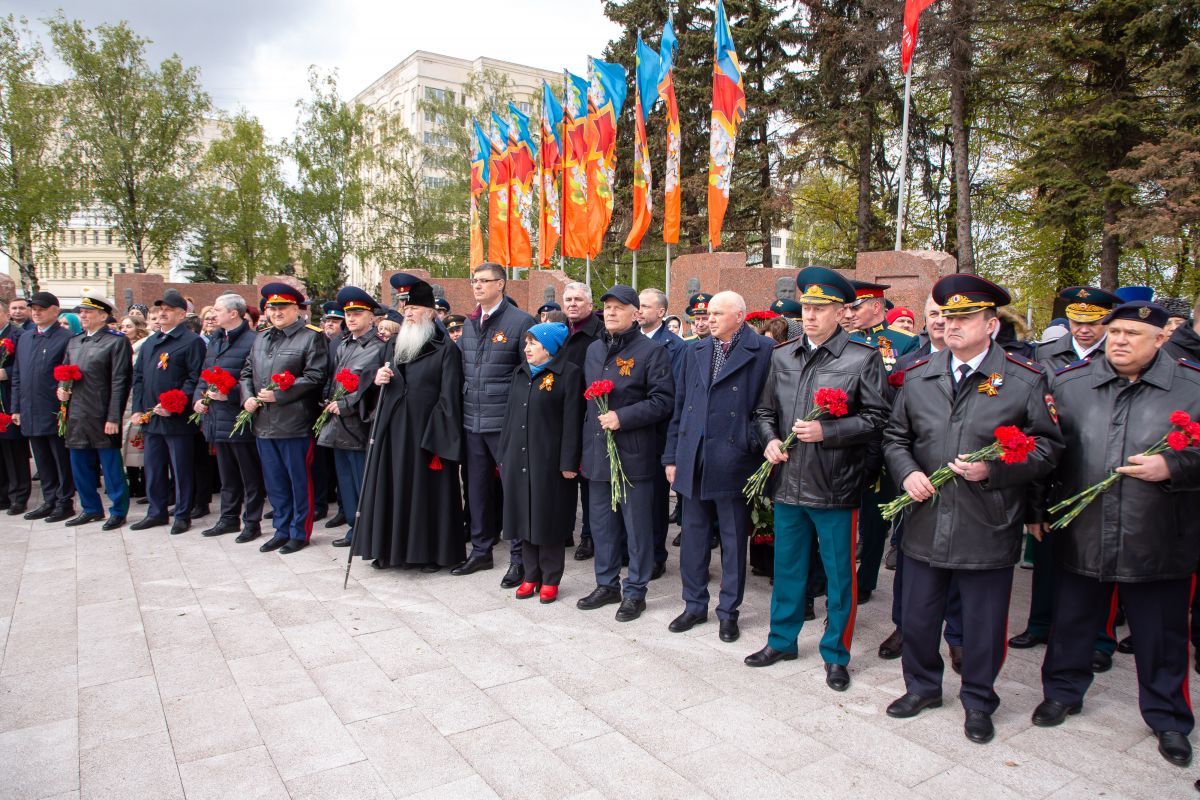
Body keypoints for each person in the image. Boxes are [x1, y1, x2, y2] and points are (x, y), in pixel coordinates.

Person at [882, 274, 1063, 744]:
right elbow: (896, 437)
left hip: (986, 523)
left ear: (991, 325)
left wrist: (995, 469)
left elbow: (1047, 448)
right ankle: (921, 687)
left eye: (964, 317)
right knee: (918, 619)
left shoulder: (1023, 381)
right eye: (946, 316)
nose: (951, 324)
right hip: (924, 520)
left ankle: (980, 700)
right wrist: (906, 473)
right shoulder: (921, 374)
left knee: (982, 628)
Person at [1034, 300, 1200, 768]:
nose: (1121, 341)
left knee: (1162, 634)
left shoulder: (1192, 387)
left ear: (1162, 338)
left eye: (1133, 334)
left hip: (1159, 534)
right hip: (1083, 528)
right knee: (1071, 622)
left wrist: (1175, 464)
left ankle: (1168, 716)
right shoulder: (1071, 384)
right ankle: (1063, 693)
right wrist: (1036, 509)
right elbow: (1045, 449)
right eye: (1117, 332)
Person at [745, 269, 889, 692]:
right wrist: (770, 442)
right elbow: (764, 412)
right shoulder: (782, 355)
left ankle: (836, 654)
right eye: (807, 308)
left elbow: (879, 419)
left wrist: (831, 432)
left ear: (842, 312)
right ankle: (782, 640)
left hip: (835, 485)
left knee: (839, 576)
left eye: (820, 309)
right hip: (788, 482)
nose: (810, 316)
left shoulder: (862, 358)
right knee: (787, 568)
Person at [1010, 285, 1123, 668]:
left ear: (1108, 321)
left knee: (1098, 563)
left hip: (1096, 467)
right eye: (1076, 321)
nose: (1083, 329)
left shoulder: (1118, 359)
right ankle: (1040, 623)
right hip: (1051, 466)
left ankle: (1100, 640)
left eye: (1092, 322)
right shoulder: (1045, 355)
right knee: (1045, 550)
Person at [664, 291, 772, 643]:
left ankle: (729, 612)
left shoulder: (764, 352)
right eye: (707, 314)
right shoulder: (694, 350)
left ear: (740, 316)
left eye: (717, 314)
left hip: (735, 458)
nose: (708, 319)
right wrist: (672, 456)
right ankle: (694, 605)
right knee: (693, 539)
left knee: (732, 540)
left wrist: (751, 443)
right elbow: (679, 408)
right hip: (693, 457)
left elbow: (768, 409)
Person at [576, 285, 675, 622]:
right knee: (602, 524)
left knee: (637, 527)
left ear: (636, 313)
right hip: (598, 452)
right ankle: (606, 584)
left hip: (633, 453)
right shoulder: (592, 350)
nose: (612, 313)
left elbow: (663, 401)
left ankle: (636, 590)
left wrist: (624, 417)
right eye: (607, 307)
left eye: (620, 307)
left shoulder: (651, 352)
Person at [353, 278, 465, 569]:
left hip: (425, 435)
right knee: (389, 489)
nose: (407, 313)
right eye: (405, 308)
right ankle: (388, 550)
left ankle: (430, 554)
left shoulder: (445, 349)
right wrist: (377, 379)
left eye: (413, 308)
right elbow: (373, 376)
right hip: (391, 429)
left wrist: (435, 436)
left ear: (429, 312)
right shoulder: (393, 343)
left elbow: (449, 397)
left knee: (424, 495)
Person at [878, 295, 965, 668]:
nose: (941, 322)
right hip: (915, 483)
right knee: (909, 558)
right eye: (934, 315)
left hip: (967, 487)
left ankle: (958, 636)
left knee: (961, 564)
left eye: (948, 315)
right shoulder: (911, 364)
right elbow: (895, 427)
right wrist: (906, 470)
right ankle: (904, 626)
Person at [452, 262, 535, 586]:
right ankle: (481, 550)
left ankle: (518, 559)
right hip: (472, 421)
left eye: (485, 281)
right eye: (475, 281)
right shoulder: (471, 323)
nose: (478, 286)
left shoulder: (519, 321)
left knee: (512, 490)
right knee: (477, 490)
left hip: (504, 423)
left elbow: (526, 374)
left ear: (501, 284)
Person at [240, 283, 329, 554]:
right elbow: (246, 372)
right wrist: (247, 396)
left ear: (296, 309)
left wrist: (279, 395)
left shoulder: (311, 337)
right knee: (275, 482)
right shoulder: (262, 338)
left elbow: (315, 376)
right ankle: (281, 529)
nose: (276, 312)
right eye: (272, 308)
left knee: (298, 481)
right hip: (264, 423)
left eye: (282, 308)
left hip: (294, 422)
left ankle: (299, 532)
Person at [845, 280, 920, 606]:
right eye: (847, 308)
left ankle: (866, 579)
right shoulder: (845, 341)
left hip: (884, 440)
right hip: (846, 437)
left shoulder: (904, 342)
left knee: (875, 518)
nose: (850, 313)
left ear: (877, 306)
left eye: (856, 307)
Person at [498, 322, 583, 602]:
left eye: (532, 344)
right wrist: (504, 454)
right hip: (518, 458)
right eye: (526, 344)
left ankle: (550, 578)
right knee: (523, 518)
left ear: (549, 347)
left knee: (548, 520)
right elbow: (510, 416)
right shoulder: (520, 373)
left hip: (550, 462)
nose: (527, 349)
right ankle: (530, 574)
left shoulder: (568, 374)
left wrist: (569, 462)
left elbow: (572, 422)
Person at [129, 289, 207, 533]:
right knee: (153, 467)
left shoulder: (191, 341)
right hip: (152, 417)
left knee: (181, 469)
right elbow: (139, 377)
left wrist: (175, 403)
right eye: (159, 310)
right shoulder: (152, 341)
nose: (162, 313)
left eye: (168, 310)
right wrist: (138, 408)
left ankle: (182, 514)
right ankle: (157, 511)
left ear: (182, 314)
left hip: (177, 419)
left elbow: (194, 378)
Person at [192, 293, 265, 543]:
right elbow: (205, 374)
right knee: (227, 475)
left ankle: (252, 522)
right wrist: (198, 399)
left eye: (218, 309)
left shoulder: (253, 341)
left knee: (249, 474)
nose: (213, 314)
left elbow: (254, 380)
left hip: (240, 418)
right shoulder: (215, 340)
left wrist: (231, 394)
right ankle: (228, 517)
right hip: (217, 417)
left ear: (234, 313)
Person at [318, 287, 386, 550]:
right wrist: (328, 400)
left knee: (362, 480)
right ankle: (352, 527)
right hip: (338, 423)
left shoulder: (379, 347)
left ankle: (366, 528)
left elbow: (374, 388)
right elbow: (334, 377)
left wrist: (345, 403)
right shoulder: (342, 344)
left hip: (359, 423)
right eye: (348, 314)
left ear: (371, 316)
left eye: (357, 313)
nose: (351, 318)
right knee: (345, 481)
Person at [59, 294, 132, 529]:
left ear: (103, 315)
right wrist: (61, 389)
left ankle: (118, 510)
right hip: (77, 413)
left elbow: (120, 382)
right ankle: (90, 508)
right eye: (81, 311)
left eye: (88, 311)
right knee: (79, 465)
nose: (83, 315)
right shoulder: (74, 341)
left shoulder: (116, 342)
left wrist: (114, 417)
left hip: (101, 414)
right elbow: (64, 372)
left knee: (111, 468)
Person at [13, 292, 76, 522]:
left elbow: (69, 374)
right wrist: (16, 408)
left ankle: (64, 501)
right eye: (34, 308)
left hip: (53, 409)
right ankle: (49, 500)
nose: (36, 312)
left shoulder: (67, 338)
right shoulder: (26, 338)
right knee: (41, 459)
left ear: (55, 310)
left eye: (41, 308)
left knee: (60, 457)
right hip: (29, 408)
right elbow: (18, 376)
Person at [638, 287, 686, 577]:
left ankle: (656, 553)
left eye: (645, 306)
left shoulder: (675, 346)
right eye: (638, 305)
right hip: (628, 430)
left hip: (658, 432)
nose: (639, 310)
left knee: (655, 499)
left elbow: (675, 395)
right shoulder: (625, 339)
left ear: (661, 312)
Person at [561, 281, 605, 562]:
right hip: (562, 413)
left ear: (590, 305)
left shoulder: (599, 334)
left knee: (588, 479)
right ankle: (565, 529)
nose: (573, 304)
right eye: (568, 300)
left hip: (589, 413)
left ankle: (590, 535)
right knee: (564, 474)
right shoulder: (558, 330)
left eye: (578, 299)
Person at [0, 299, 29, 514]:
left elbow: (23, 368)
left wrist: (5, 374)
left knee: (13, 450)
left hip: (9, 400)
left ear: (5, 314)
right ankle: (3, 495)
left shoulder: (18, 336)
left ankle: (19, 496)